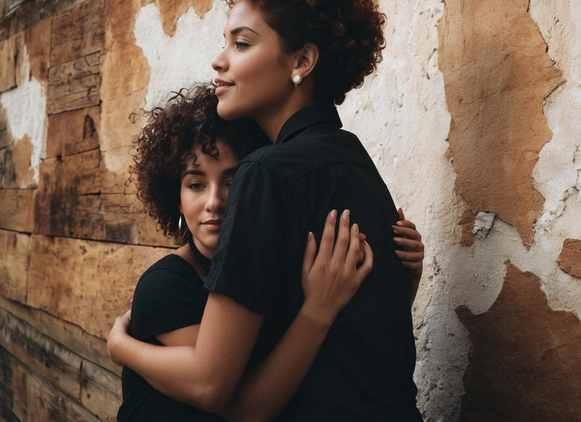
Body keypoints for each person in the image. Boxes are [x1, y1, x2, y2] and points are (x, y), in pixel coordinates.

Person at [108, 0, 425, 421]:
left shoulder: (265, 174)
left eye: (242, 43)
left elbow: (211, 384)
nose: (219, 60)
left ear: (302, 60)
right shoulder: (355, 159)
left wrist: (120, 345)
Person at [117, 85, 394, 421]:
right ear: (174, 197)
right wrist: (318, 310)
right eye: (195, 184)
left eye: (233, 182)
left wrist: (403, 274)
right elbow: (237, 407)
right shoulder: (165, 286)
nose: (214, 201)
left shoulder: (273, 267)